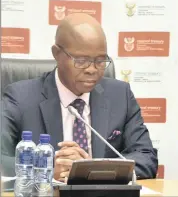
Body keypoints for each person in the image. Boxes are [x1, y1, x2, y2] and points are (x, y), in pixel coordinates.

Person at [1, 13, 158, 181]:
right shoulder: (20, 98)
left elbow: (146, 157)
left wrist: (92, 169)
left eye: (100, 61)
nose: (92, 69)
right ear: (57, 54)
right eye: (81, 60)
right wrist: (45, 169)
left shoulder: (120, 95)